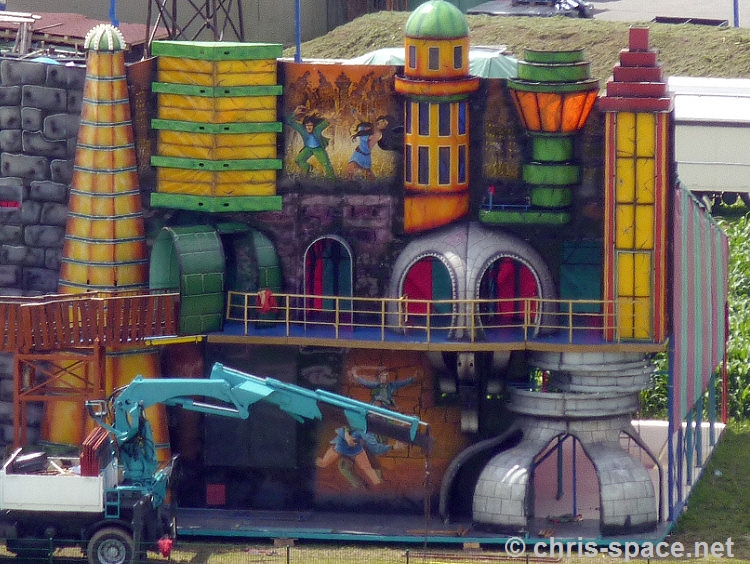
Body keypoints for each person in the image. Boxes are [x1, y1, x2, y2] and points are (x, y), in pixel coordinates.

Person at [286, 105, 335, 179]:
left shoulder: (317, 129)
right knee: (299, 160)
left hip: (318, 149)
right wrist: (295, 113)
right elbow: (288, 121)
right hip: (308, 149)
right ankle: (307, 168)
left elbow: (326, 122)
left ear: (314, 126)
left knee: (326, 164)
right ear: (304, 126)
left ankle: (332, 179)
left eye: (311, 125)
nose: (309, 127)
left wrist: (331, 120)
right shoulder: (301, 129)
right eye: (307, 125)